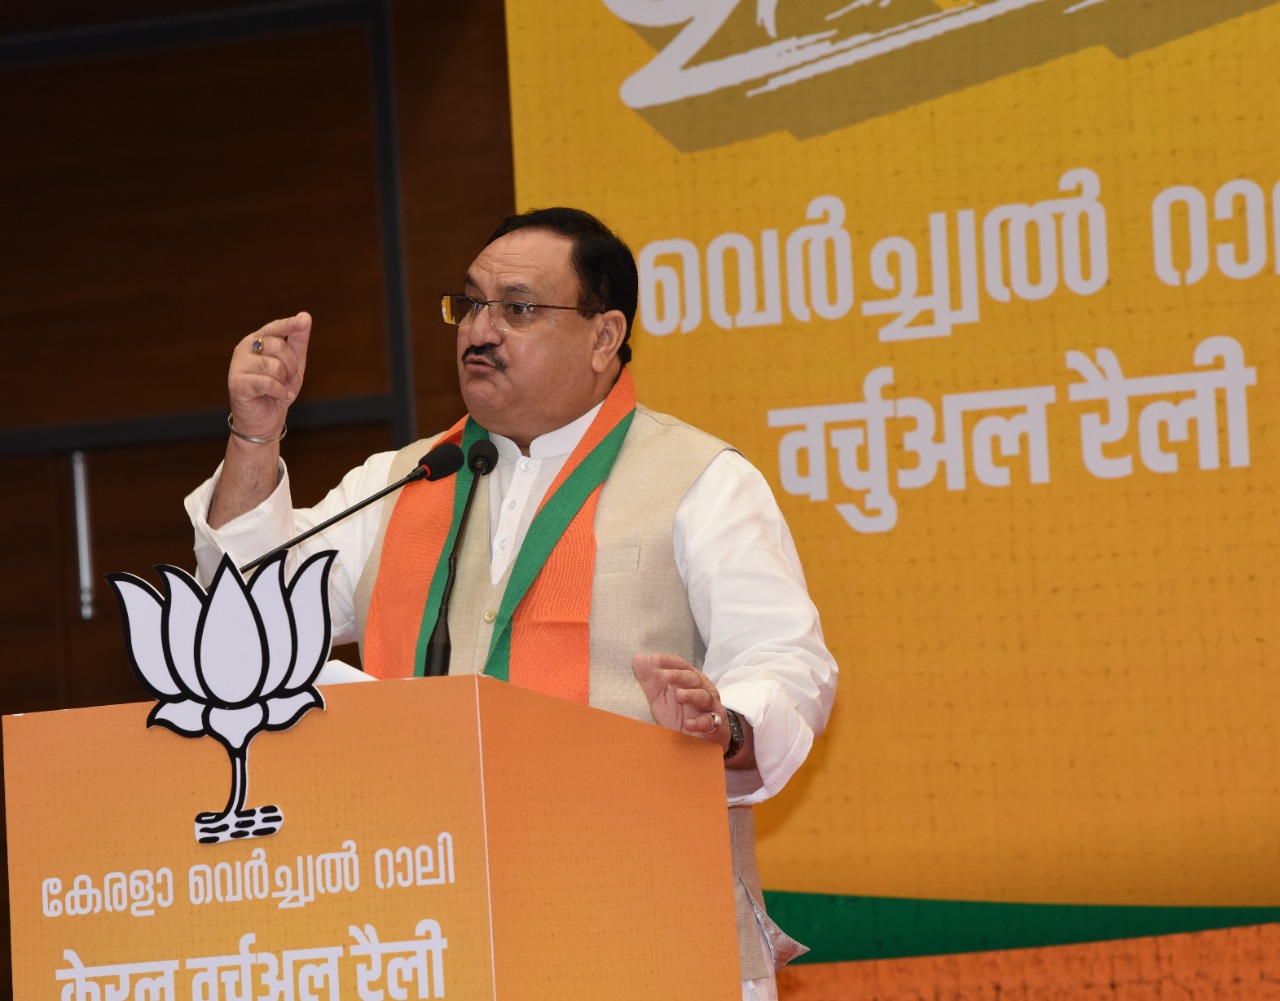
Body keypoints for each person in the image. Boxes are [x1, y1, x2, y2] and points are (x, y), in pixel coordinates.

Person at [185, 207, 837, 1000]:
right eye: (470, 306)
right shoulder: (399, 481)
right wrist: (255, 438)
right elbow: (244, 629)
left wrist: (725, 722)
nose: (479, 331)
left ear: (605, 337)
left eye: (518, 308)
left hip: (640, 934)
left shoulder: (701, 478)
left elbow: (786, 660)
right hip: (426, 929)